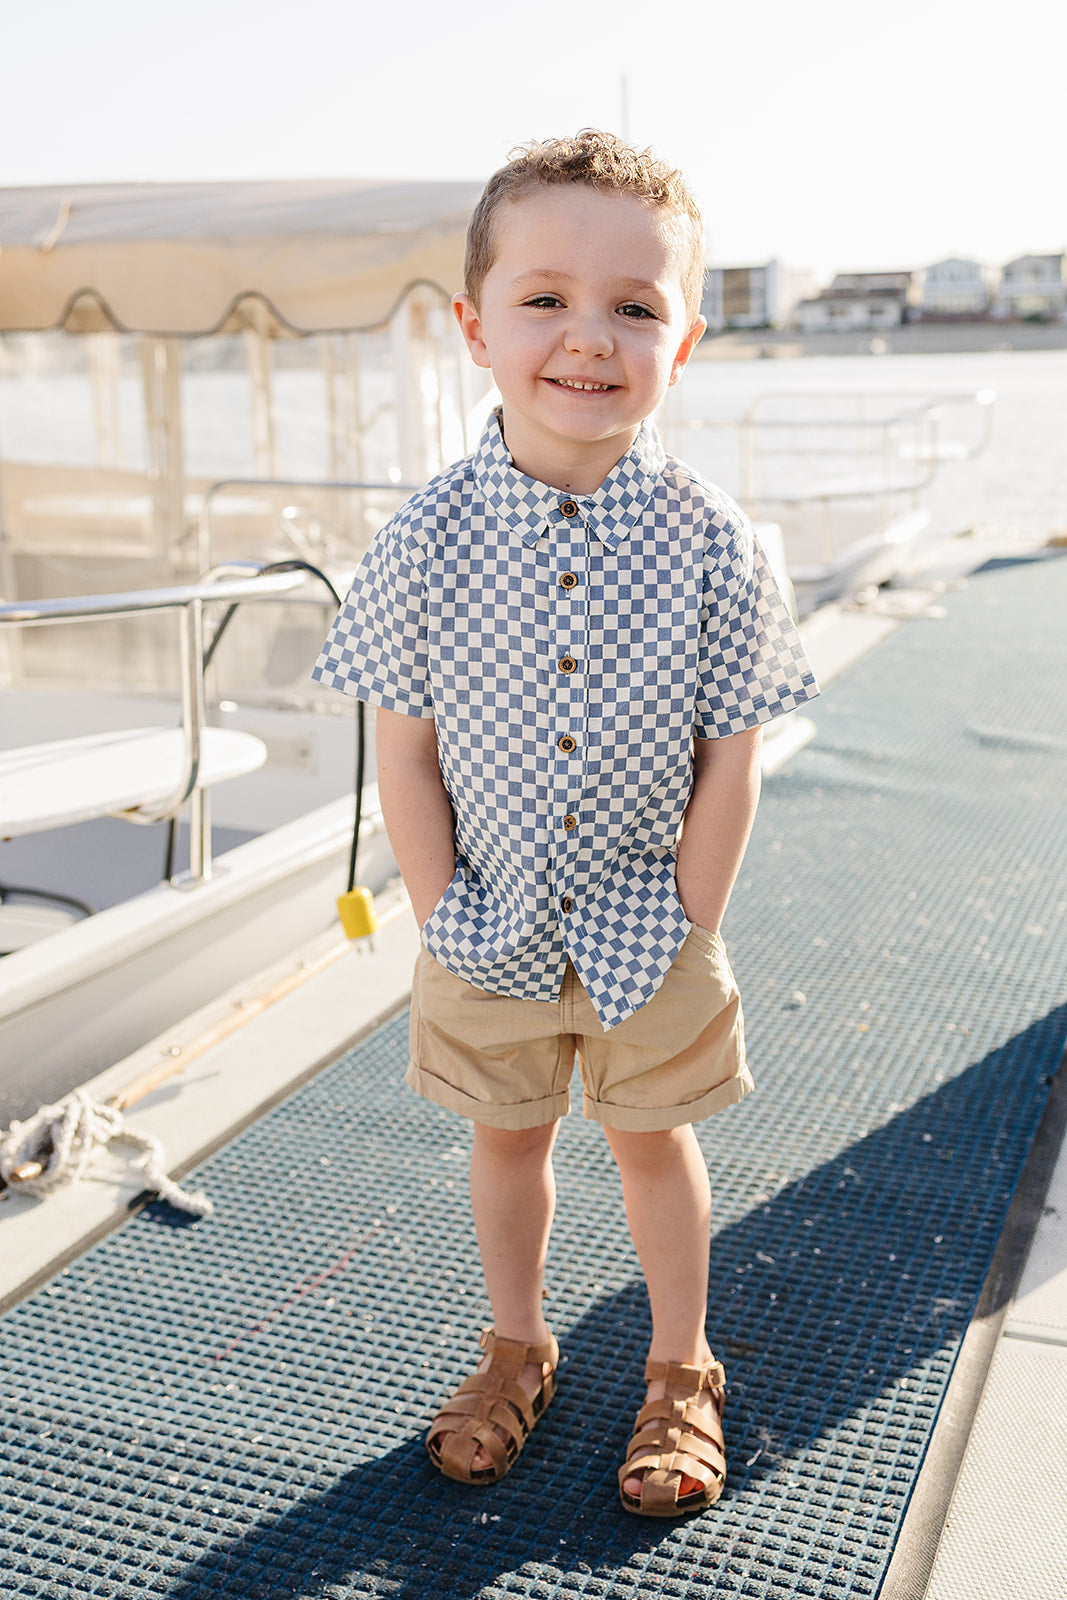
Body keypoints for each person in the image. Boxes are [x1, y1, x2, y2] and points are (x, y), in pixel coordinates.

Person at [313, 130, 818, 1517]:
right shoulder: (424, 536)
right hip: (488, 914)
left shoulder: (716, 540)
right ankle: (518, 1345)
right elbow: (402, 749)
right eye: (545, 299)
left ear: (685, 342)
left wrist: (694, 922)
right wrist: (440, 910)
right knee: (509, 1139)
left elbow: (733, 753)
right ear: (476, 327)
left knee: (656, 1138)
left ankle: (678, 1367)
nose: (589, 338)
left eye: (635, 308)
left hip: (655, 913)